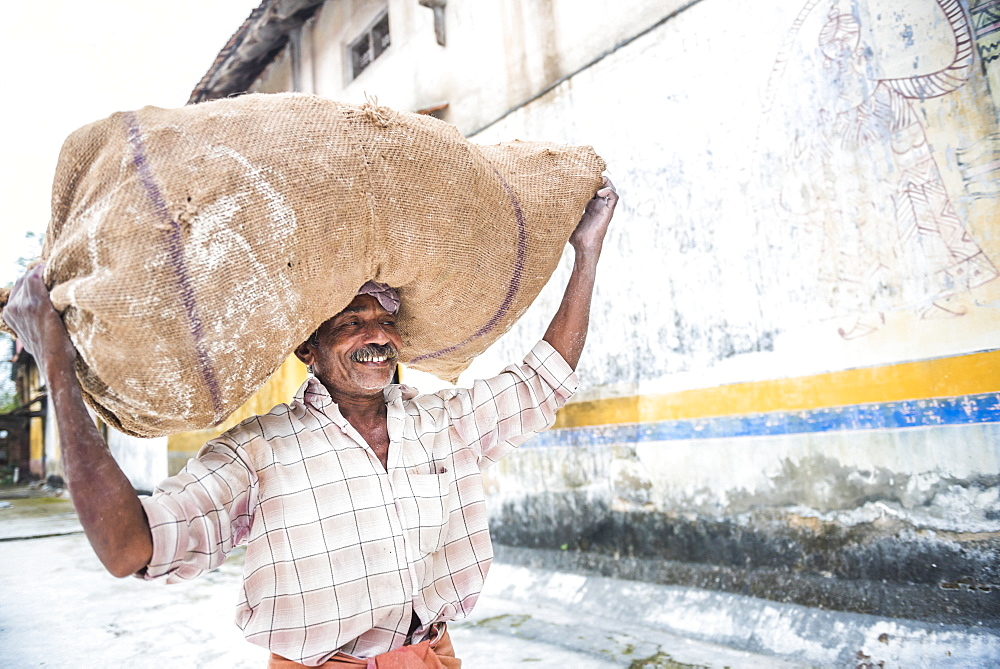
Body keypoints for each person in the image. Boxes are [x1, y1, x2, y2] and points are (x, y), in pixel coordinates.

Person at [4, 177, 618, 667]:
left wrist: (586, 252)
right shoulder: (258, 451)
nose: (376, 336)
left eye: (384, 321)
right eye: (352, 323)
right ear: (309, 351)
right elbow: (129, 548)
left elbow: (542, 380)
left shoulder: (443, 422)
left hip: (433, 658)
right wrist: (57, 364)